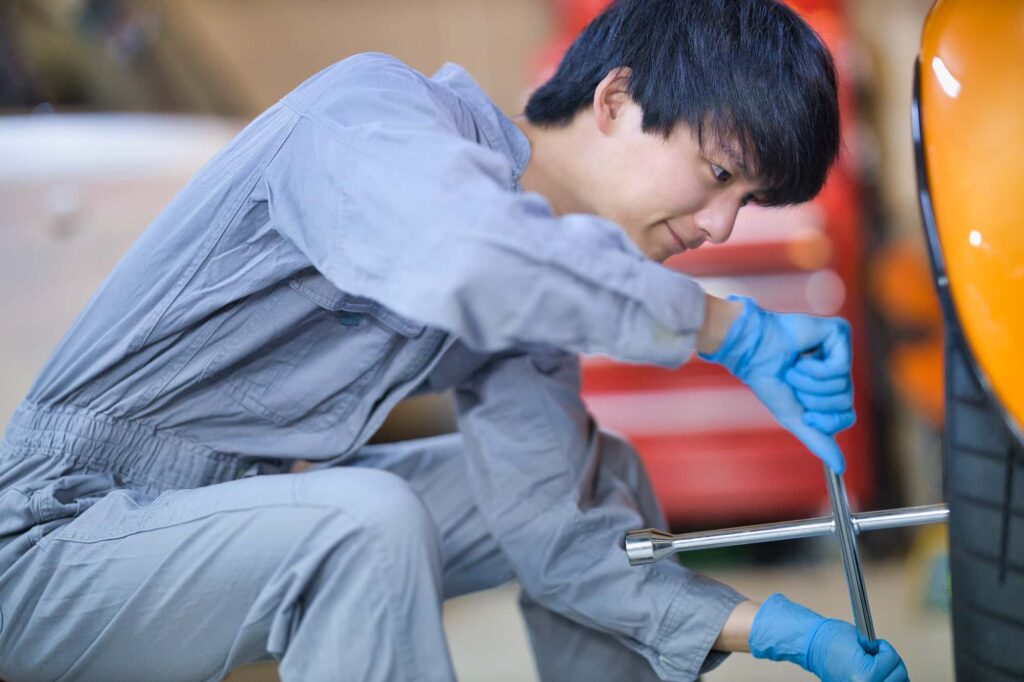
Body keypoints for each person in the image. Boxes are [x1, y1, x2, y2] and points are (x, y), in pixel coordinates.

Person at [0, 0, 909, 680]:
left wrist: (768, 627)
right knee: (361, 522)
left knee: (607, 475)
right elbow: (469, 254)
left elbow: (561, 541)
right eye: (718, 174)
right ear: (615, 98)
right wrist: (727, 327)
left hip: (225, 515)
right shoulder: (371, 116)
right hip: (56, 534)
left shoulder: (535, 286)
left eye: (744, 202)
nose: (718, 227)